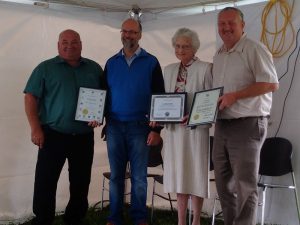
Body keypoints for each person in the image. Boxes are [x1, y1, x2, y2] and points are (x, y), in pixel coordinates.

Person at [24, 29, 104, 225]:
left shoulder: (94, 68)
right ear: (58, 45)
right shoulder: (45, 68)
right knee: (45, 182)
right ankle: (43, 220)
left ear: (81, 43)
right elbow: (30, 97)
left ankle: (74, 219)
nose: (70, 46)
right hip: (52, 135)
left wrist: (98, 116)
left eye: (74, 42)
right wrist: (35, 128)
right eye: (65, 42)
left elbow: (103, 97)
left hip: (84, 137)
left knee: (80, 183)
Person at [212, 7, 279, 225]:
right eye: (222, 24)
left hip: (248, 124)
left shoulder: (254, 49)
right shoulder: (219, 54)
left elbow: (271, 84)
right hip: (222, 124)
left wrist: (236, 96)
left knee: (245, 185)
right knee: (223, 183)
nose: (226, 27)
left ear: (243, 25)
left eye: (231, 23)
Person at [103, 18, 165, 225]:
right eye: (125, 31)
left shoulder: (151, 62)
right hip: (114, 126)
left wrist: (157, 130)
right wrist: (99, 118)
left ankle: (139, 217)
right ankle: (114, 217)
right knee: (116, 177)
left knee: (139, 177)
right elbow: (103, 95)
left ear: (140, 35)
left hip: (140, 126)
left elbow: (160, 96)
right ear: (121, 33)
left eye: (132, 32)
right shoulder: (111, 63)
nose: (128, 35)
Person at [162, 28, 212, 225]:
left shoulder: (206, 68)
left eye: (186, 46)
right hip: (174, 133)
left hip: (196, 132)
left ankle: (197, 220)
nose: (181, 50)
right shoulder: (168, 70)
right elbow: (165, 100)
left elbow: (211, 101)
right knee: (178, 175)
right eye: (178, 46)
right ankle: (181, 221)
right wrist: (158, 117)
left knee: (196, 175)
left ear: (194, 48)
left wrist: (195, 116)